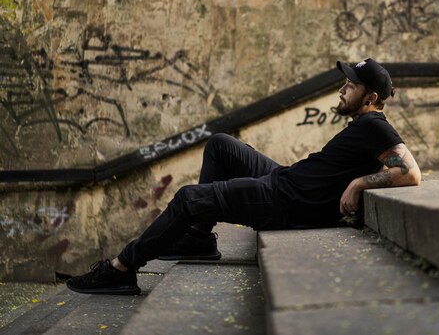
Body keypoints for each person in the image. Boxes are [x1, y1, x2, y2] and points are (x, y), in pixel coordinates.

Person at [66, 58, 421, 295]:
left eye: (350, 86)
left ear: (371, 97)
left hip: (285, 201)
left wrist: (360, 184)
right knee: (221, 145)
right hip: (286, 179)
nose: (342, 90)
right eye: (344, 82)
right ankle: (199, 238)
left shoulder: (375, 125)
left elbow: (409, 171)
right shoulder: (364, 124)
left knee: (190, 198)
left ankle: (121, 269)